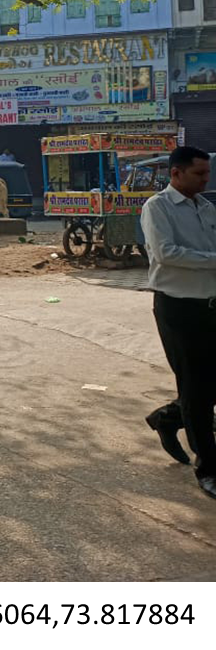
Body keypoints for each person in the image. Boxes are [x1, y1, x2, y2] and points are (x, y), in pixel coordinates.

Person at [140, 146, 216, 501]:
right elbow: (166, 253)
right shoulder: (158, 207)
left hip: (211, 304)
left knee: (205, 385)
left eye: (207, 173)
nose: (206, 179)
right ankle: (209, 468)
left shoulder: (207, 208)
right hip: (178, 308)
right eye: (199, 173)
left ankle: (169, 418)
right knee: (197, 388)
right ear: (176, 174)